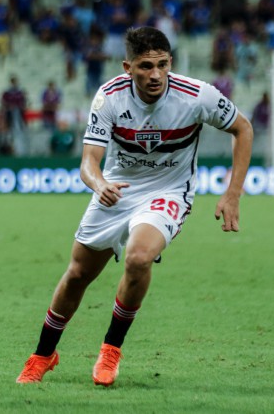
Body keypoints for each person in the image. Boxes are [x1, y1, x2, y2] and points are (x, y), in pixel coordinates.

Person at [16, 27, 253, 387]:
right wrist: (100, 185)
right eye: (145, 66)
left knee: (139, 257)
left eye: (162, 65)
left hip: (169, 191)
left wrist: (233, 192)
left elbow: (243, 128)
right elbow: (88, 162)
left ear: (170, 62)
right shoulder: (108, 97)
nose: (155, 74)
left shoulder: (197, 95)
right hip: (117, 188)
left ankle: (110, 349)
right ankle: (43, 355)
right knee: (78, 273)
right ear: (128, 67)